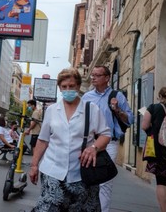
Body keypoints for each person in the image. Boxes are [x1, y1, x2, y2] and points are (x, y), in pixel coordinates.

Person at [29, 68, 111, 211]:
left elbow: (105, 134)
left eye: (72, 86)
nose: (68, 90)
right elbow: (43, 140)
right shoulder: (52, 110)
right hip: (53, 171)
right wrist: (34, 165)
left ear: (78, 86)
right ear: (59, 88)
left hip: (83, 174)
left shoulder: (91, 109)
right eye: (64, 87)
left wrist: (94, 148)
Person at [82, 65, 134, 212]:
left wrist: (117, 110)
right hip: (89, 142)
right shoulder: (86, 97)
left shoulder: (117, 96)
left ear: (107, 78)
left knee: (104, 181)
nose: (93, 78)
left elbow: (130, 120)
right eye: (93, 75)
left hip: (109, 143)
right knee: (87, 178)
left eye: (97, 75)